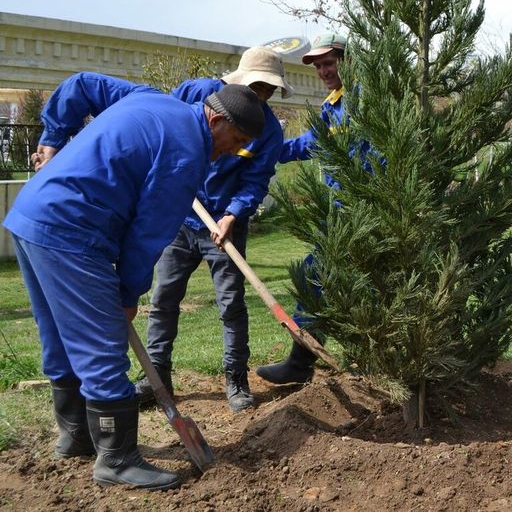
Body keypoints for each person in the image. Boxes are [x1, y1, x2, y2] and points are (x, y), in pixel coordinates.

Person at [3, 73, 263, 490]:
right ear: (215, 121)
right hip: (73, 231)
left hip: (32, 215)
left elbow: (82, 84)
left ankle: (76, 436)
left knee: (58, 333)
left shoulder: (150, 97)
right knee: (103, 340)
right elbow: (148, 236)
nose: (231, 154)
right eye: (234, 142)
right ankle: (118, 459)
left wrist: (53, 137)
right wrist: (127, 293)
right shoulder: (188, 154)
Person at [134, 46, 291, 413]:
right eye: (258, 87)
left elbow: (257, 180)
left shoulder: (268, 131)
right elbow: (167, 124)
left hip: (225, 226)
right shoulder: (196, 92)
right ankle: (157, 374)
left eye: (269, 90)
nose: (263, 96)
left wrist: (233, 215)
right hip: (180, 215)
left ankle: (236, 377)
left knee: (231, 304)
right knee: (163, 299)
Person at [256, 32, 349, 385]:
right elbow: (309, 144)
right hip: (339, 211)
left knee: (319, 277)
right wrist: (267, 147)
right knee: (319, 279)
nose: (323, 70)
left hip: (361, 209)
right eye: (318, 65)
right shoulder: (334, 105)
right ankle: (302, 361)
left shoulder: (364, 102)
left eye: (329, 62)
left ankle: (302, 363)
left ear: (347, 61)